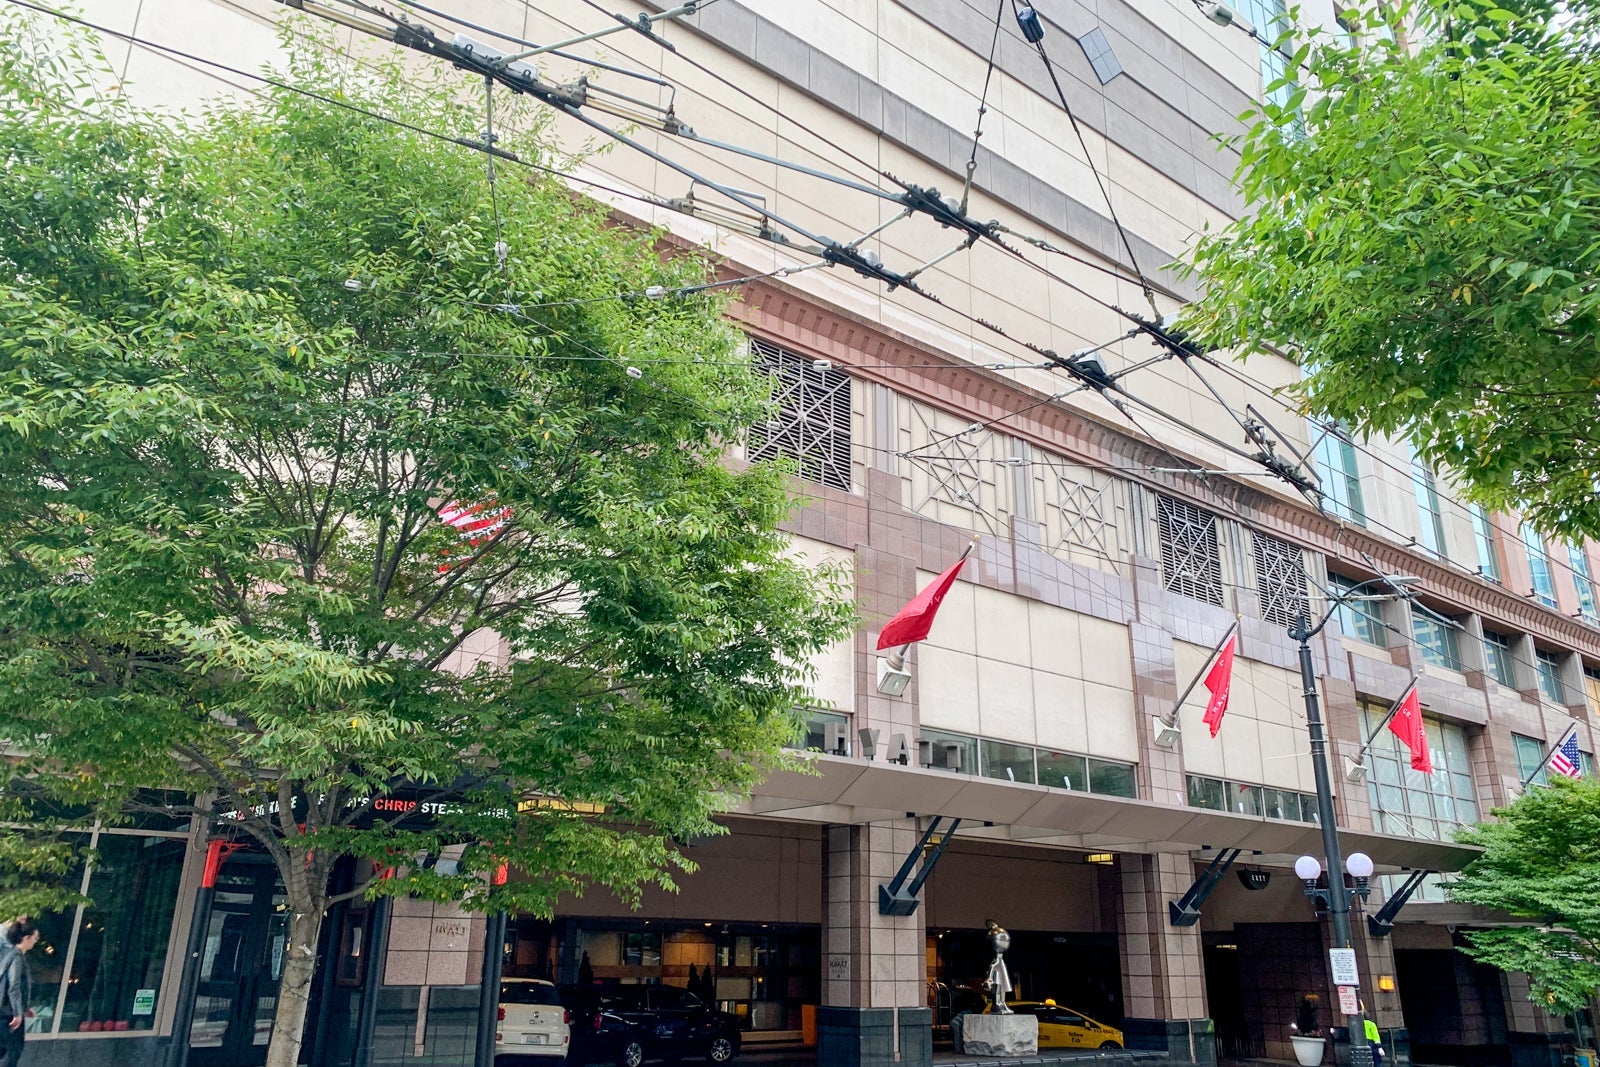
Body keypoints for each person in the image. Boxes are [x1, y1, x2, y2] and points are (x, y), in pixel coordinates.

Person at [0, 917, 38, 1067]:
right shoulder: (16, 957)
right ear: (26, 938)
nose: (35, 941)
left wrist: (24, 1008)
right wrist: (17, 1013)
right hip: (9, 1014)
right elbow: (14, 986)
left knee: (6, 1050)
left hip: (5, 1011)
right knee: (13, 1051)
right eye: (34, 938)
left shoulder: (8, 954)